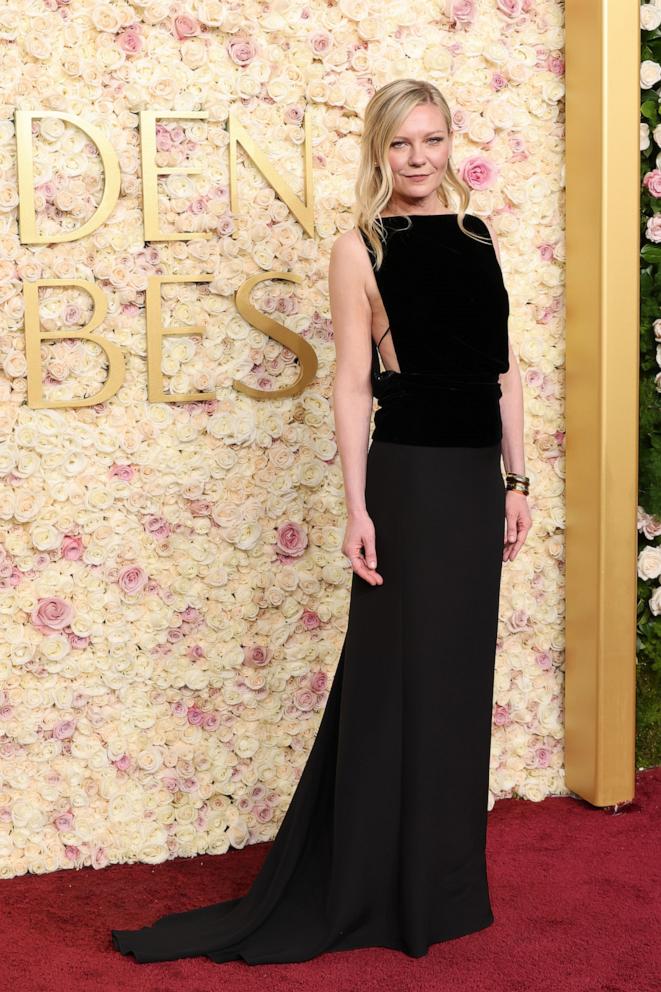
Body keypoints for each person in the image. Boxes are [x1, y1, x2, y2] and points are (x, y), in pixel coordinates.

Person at [110, 77, 532, 965]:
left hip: (472, 485)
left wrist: (518, 479)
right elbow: (350, 383)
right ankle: (377, 884)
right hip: (408, 485)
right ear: (378, 152)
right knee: (397, 682)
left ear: (451, 144)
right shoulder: (359, 245)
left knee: (457, 684)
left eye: (432, 141)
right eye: (400, 145)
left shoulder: (477, 235)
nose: (419, 159)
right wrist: (356, 508)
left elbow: (504, 372)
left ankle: (443, 887)